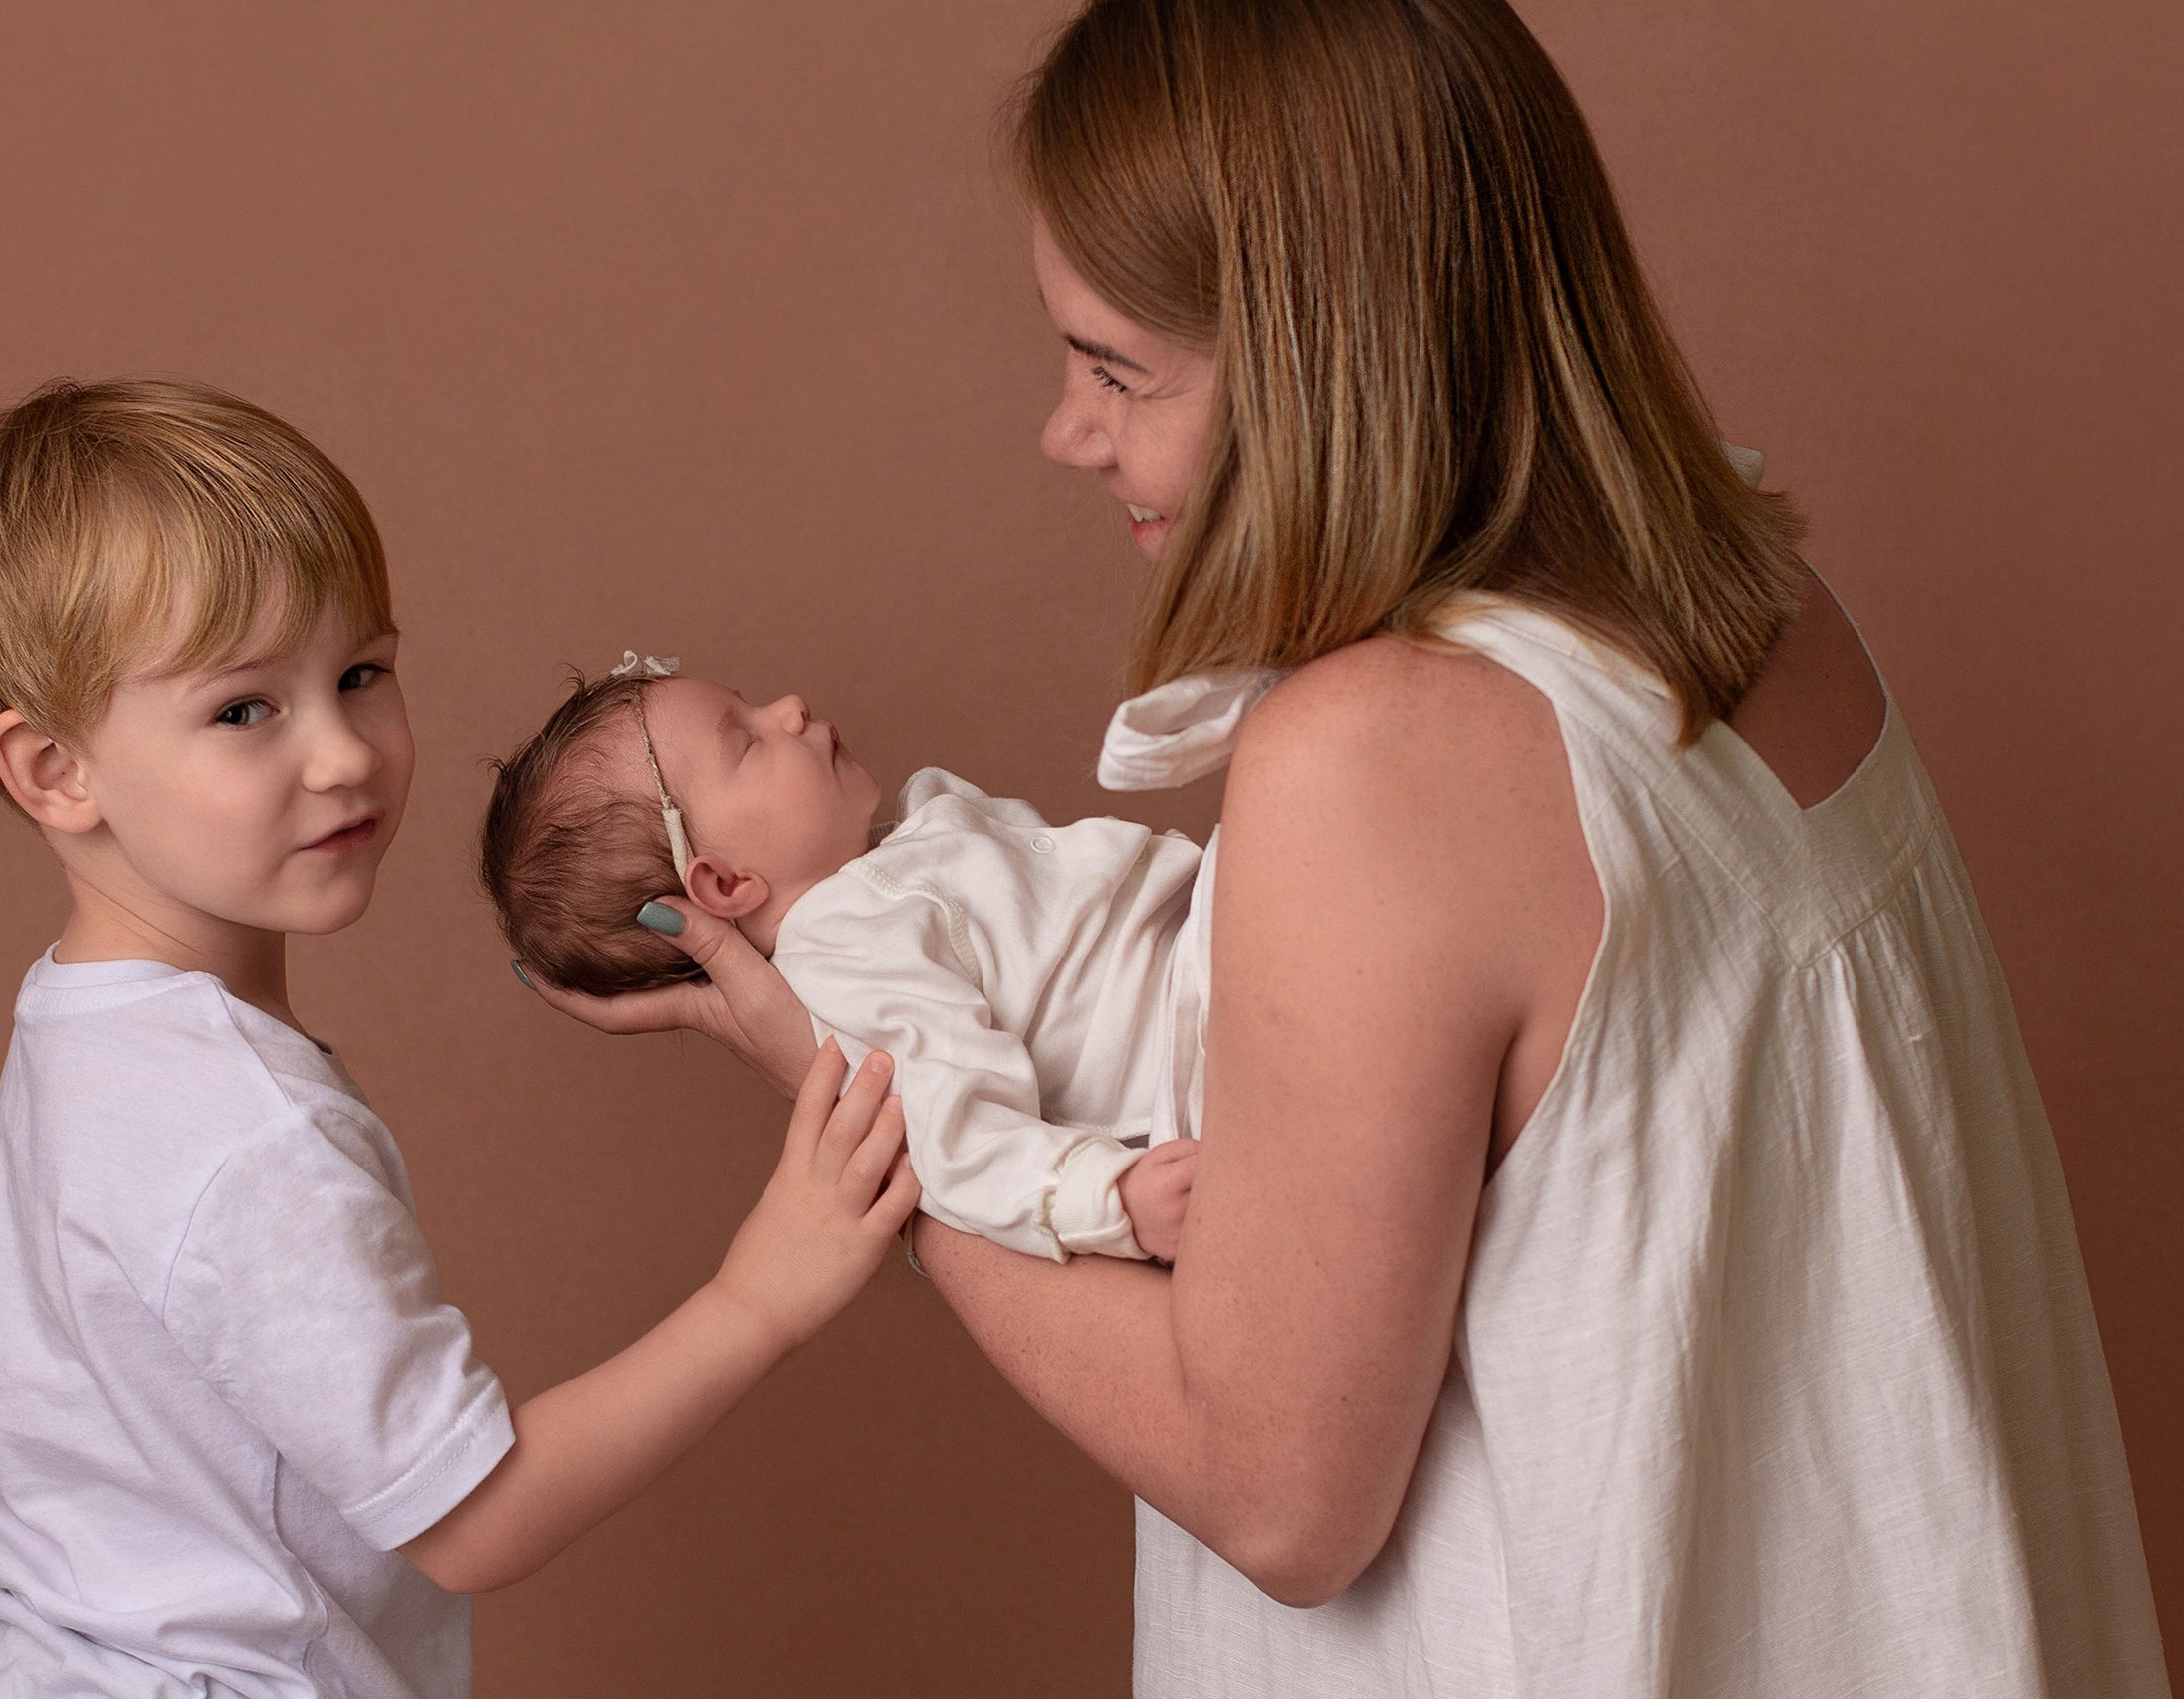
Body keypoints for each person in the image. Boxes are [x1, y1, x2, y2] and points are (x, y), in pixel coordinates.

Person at [521, 1, 2171, 1692]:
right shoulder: (1770, 606)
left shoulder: (1379, 758)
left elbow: (1280, 1493)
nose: (1067, 431)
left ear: (1316, 355)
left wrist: (863, 1120)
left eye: (1114, 369)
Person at [0, 378, 918, 1698]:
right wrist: (761, 1293)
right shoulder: (244, 1133)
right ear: (54, 770)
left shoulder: (81, 1033)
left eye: (360, 674)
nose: (344, 755)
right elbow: (472, 1519)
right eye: (245, 709)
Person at [483, 654, 1280, 1263]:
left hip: (1216, 946)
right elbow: (953, 1132)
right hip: (1195, 1041)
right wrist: (1107, 1197)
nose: (790, 707)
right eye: (747, 739)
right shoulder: (845, 950)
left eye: (753, 702)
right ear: (724, 882)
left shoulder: (894, 861)